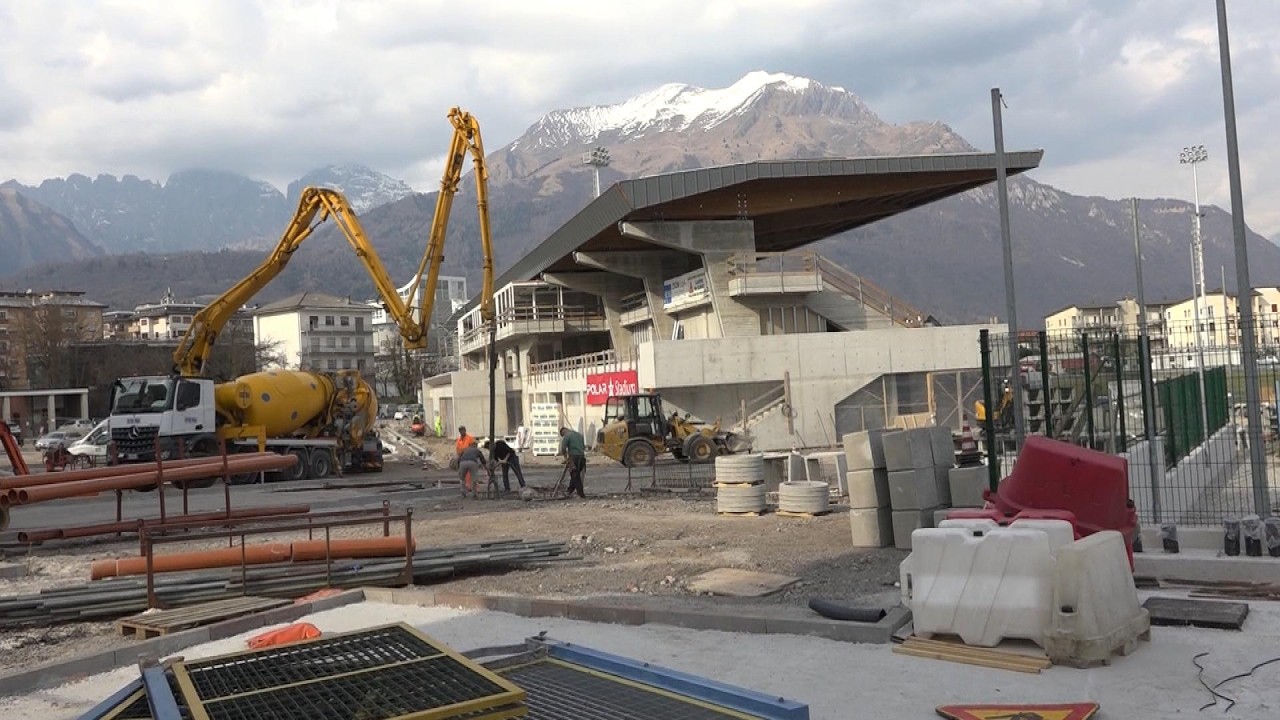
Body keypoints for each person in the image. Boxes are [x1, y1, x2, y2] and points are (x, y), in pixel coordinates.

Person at [558, 426, 587, 499]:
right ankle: (569, 490)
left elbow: (563, 448)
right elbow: (583, 447)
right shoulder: (579, 435)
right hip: (582, 458)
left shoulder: (567, 436)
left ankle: (581, 494)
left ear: (563, 432)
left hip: (573, 458)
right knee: (575, 475)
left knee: (575, 476)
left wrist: (565, 458)